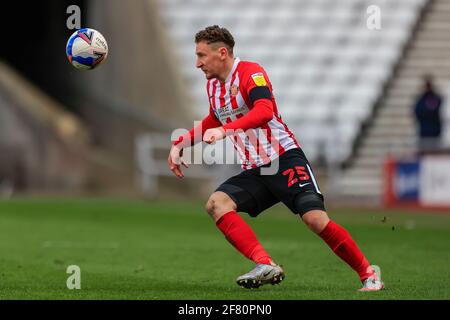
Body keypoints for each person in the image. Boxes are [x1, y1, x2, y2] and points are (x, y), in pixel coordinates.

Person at [168, 25, 384, 291]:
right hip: (255, 170)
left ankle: (368, 274)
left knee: (315, 219)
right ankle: (265, 263)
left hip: (283, 158)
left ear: (222, 53)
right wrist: (182, 143)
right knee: (216, 204)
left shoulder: (251, 73)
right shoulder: (213, 85)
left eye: (201, 55)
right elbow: (216, 117)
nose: (197, 63)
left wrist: (225, 131)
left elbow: (265, 111)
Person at [414, 75, 443, 154]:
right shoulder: (421, 99)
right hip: (425, 132)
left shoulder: (436, 98)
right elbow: (417, 113)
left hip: (435, 132)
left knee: (434, 154)